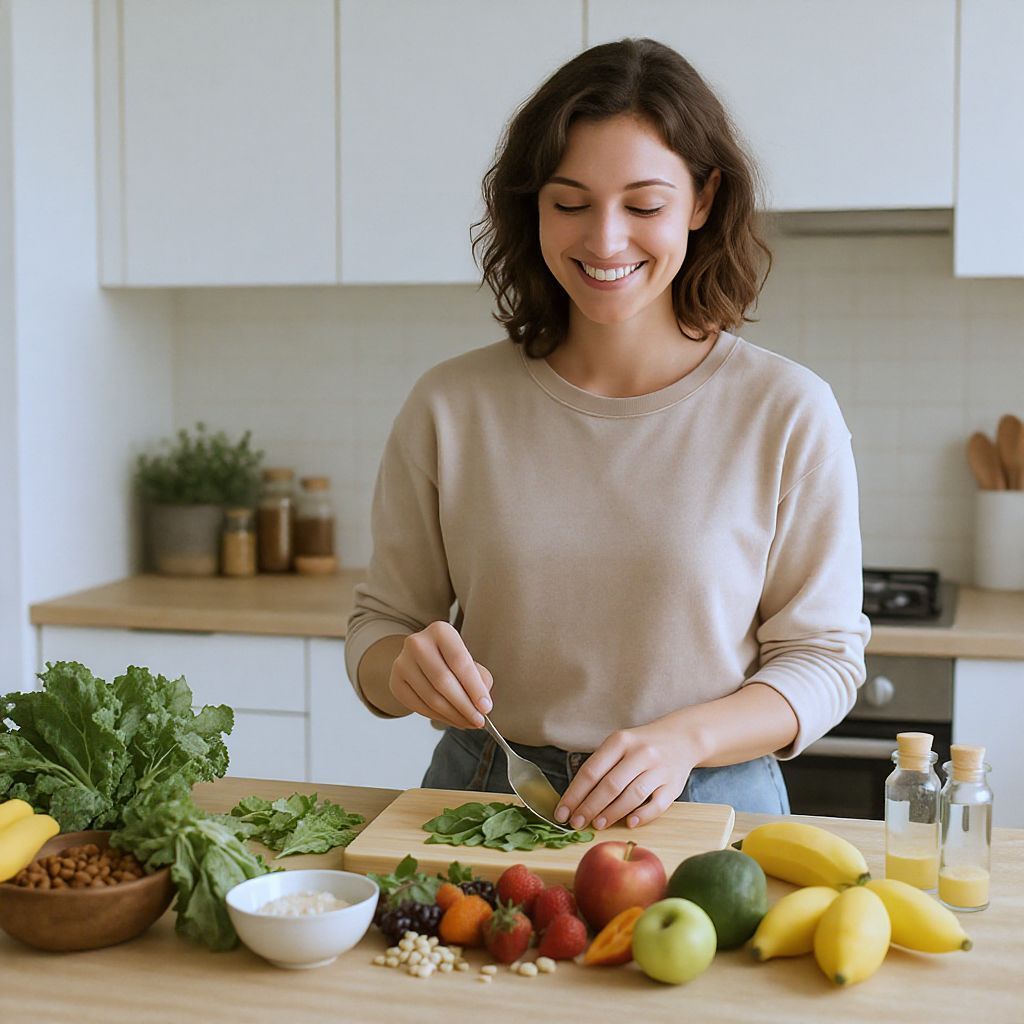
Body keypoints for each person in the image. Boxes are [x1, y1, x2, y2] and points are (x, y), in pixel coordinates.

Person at [344, 38, 869, 829]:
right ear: (533, 206)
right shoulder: (450, 406)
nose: (605, 240)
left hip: (709, 801)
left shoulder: (788, 409)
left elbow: (826, 661)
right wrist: (401, 671)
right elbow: (380, 628)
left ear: (701, 200)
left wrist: (683, 740)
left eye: (644, 204)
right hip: (488, 791)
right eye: (570, 202)